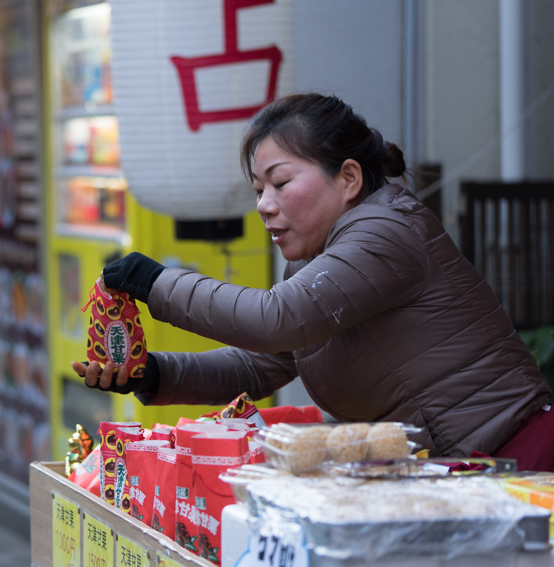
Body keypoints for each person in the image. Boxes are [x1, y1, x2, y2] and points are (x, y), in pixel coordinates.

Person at [75, 93, 552, 466]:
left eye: (280, 183)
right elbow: (259, 364)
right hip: (450, 470)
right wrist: (152, 373)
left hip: (513, 456)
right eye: (259, 190)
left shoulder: (387, 231)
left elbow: (273, 321)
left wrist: (156, 282)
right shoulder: (315, 260)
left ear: (348, 178)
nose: (264, 205)